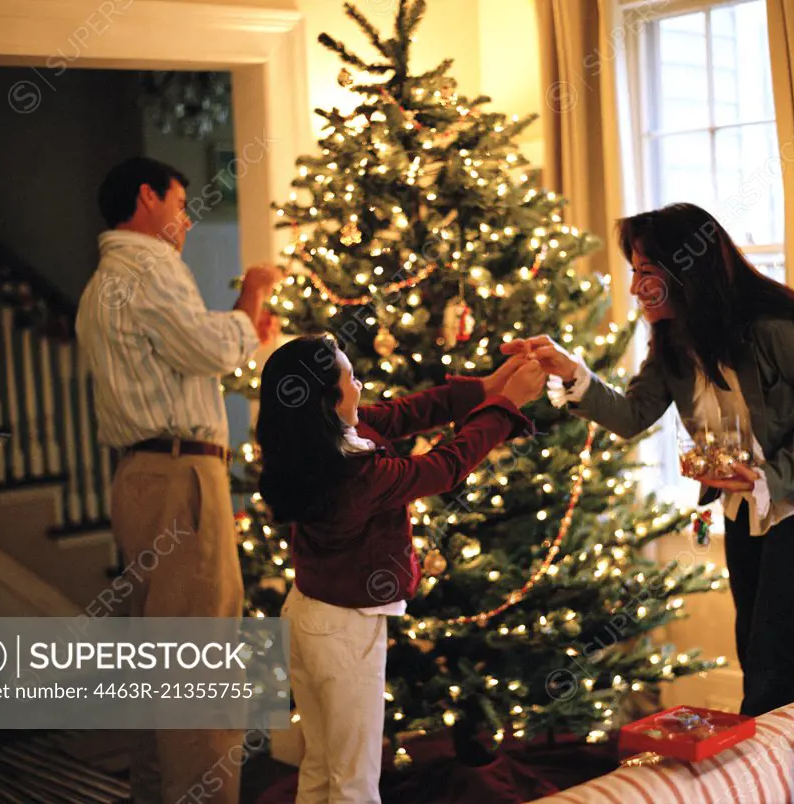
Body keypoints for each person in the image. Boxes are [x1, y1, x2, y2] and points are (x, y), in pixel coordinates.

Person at [502, 202, 794, 717]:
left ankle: (771, 780)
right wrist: (572, 371)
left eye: (648, 274)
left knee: (773, 655)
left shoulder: (777, 328)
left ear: (689, 271)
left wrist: (770, 476)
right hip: (744, 497)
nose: (636, 289)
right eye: (634, 273)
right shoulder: (673, 343)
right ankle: (775, 762)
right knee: (753, 641)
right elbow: (633, 413)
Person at [255, 334, 545, 804]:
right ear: (330, 400)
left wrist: (487, 387)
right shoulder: (356, 474)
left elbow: (406, 413)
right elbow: (444, 468)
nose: (361, 384)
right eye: (352, 378)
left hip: (307, 616)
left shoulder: (321, 441)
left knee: (323, 764)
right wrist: (505, 406)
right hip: (344, 632)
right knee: (355, 779)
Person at [76, 156, 280, 804]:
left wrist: (239, 332)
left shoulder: (105, 282)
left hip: (141, 477)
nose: (188, 220)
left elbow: (189, 350)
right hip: (180, 477)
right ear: (146, 198)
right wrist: (251, 298)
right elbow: (209, 349)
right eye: (180, 204)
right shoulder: (150, 266)